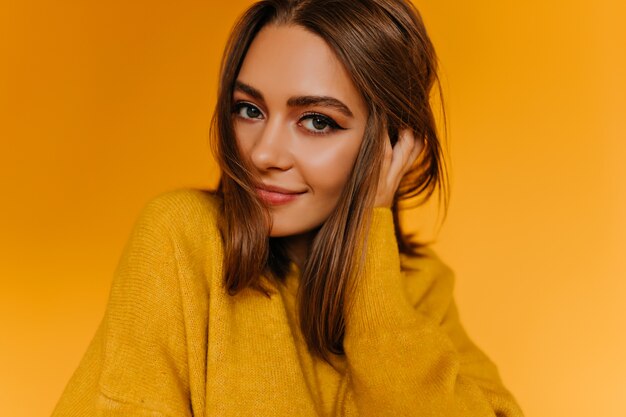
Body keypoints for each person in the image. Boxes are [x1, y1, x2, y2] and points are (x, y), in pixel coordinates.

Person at [52, 0, 525, 416]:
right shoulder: (180, 239)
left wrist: (370, 271)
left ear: (394, 144)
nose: (263, 153)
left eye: (316, 121)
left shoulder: (418, 287)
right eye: (249, 110)